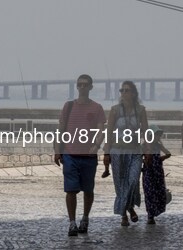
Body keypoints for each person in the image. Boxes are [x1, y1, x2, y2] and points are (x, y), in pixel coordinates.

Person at [54, 74, 106, 237]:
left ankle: (85, 218)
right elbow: (61, 129)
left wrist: (96, 145)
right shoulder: (68, 106)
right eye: (79, 85)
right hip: (70, 153)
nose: (82, 88)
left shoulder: (97, 108)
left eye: (85, 85)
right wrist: (57, 150)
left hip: (89, 156)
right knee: (71, 190)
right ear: (77, 87)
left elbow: (101, 130)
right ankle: (72, 223)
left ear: (91, 87)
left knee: (88, 190)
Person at [103, 80, 149, 227]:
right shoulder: (115, 110)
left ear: (133, 93)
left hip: (135, 151)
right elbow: (109, 131)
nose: (123, 93)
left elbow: (146, 132)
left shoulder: (140, 110)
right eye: (121, 90)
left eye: (127, 90)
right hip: (117, 151)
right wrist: (106, 153)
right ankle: (125, 213)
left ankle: (129, 207)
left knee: (133, 180)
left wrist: (148, 151)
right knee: (120, 184)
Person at [143, 124, 171, 224]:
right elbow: (139, 157)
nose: (157, 137)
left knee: (159, 191)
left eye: (158, 135)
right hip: (148, 171)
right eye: (156, 135)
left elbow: (168, 153)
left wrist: (161, 158)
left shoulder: (158, 145)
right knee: (149, 192)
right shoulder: (145, 146)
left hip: (158, 172)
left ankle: (155, 212)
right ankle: (150, 215)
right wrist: (145, 160)